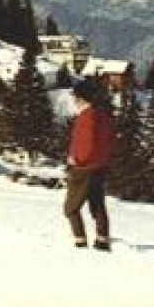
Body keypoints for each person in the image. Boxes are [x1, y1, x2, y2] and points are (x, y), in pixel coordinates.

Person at [63, 78, 115, 251]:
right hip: (100, 167)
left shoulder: (86, 117)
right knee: (97, 204)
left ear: (81, 98)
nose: (74, 101)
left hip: (83, 169)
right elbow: (108, 141)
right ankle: (102, 240)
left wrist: (76, 159)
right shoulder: (102, 115)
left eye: (75, 98)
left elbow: (86, 144)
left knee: (71, 208)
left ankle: (80, 242)